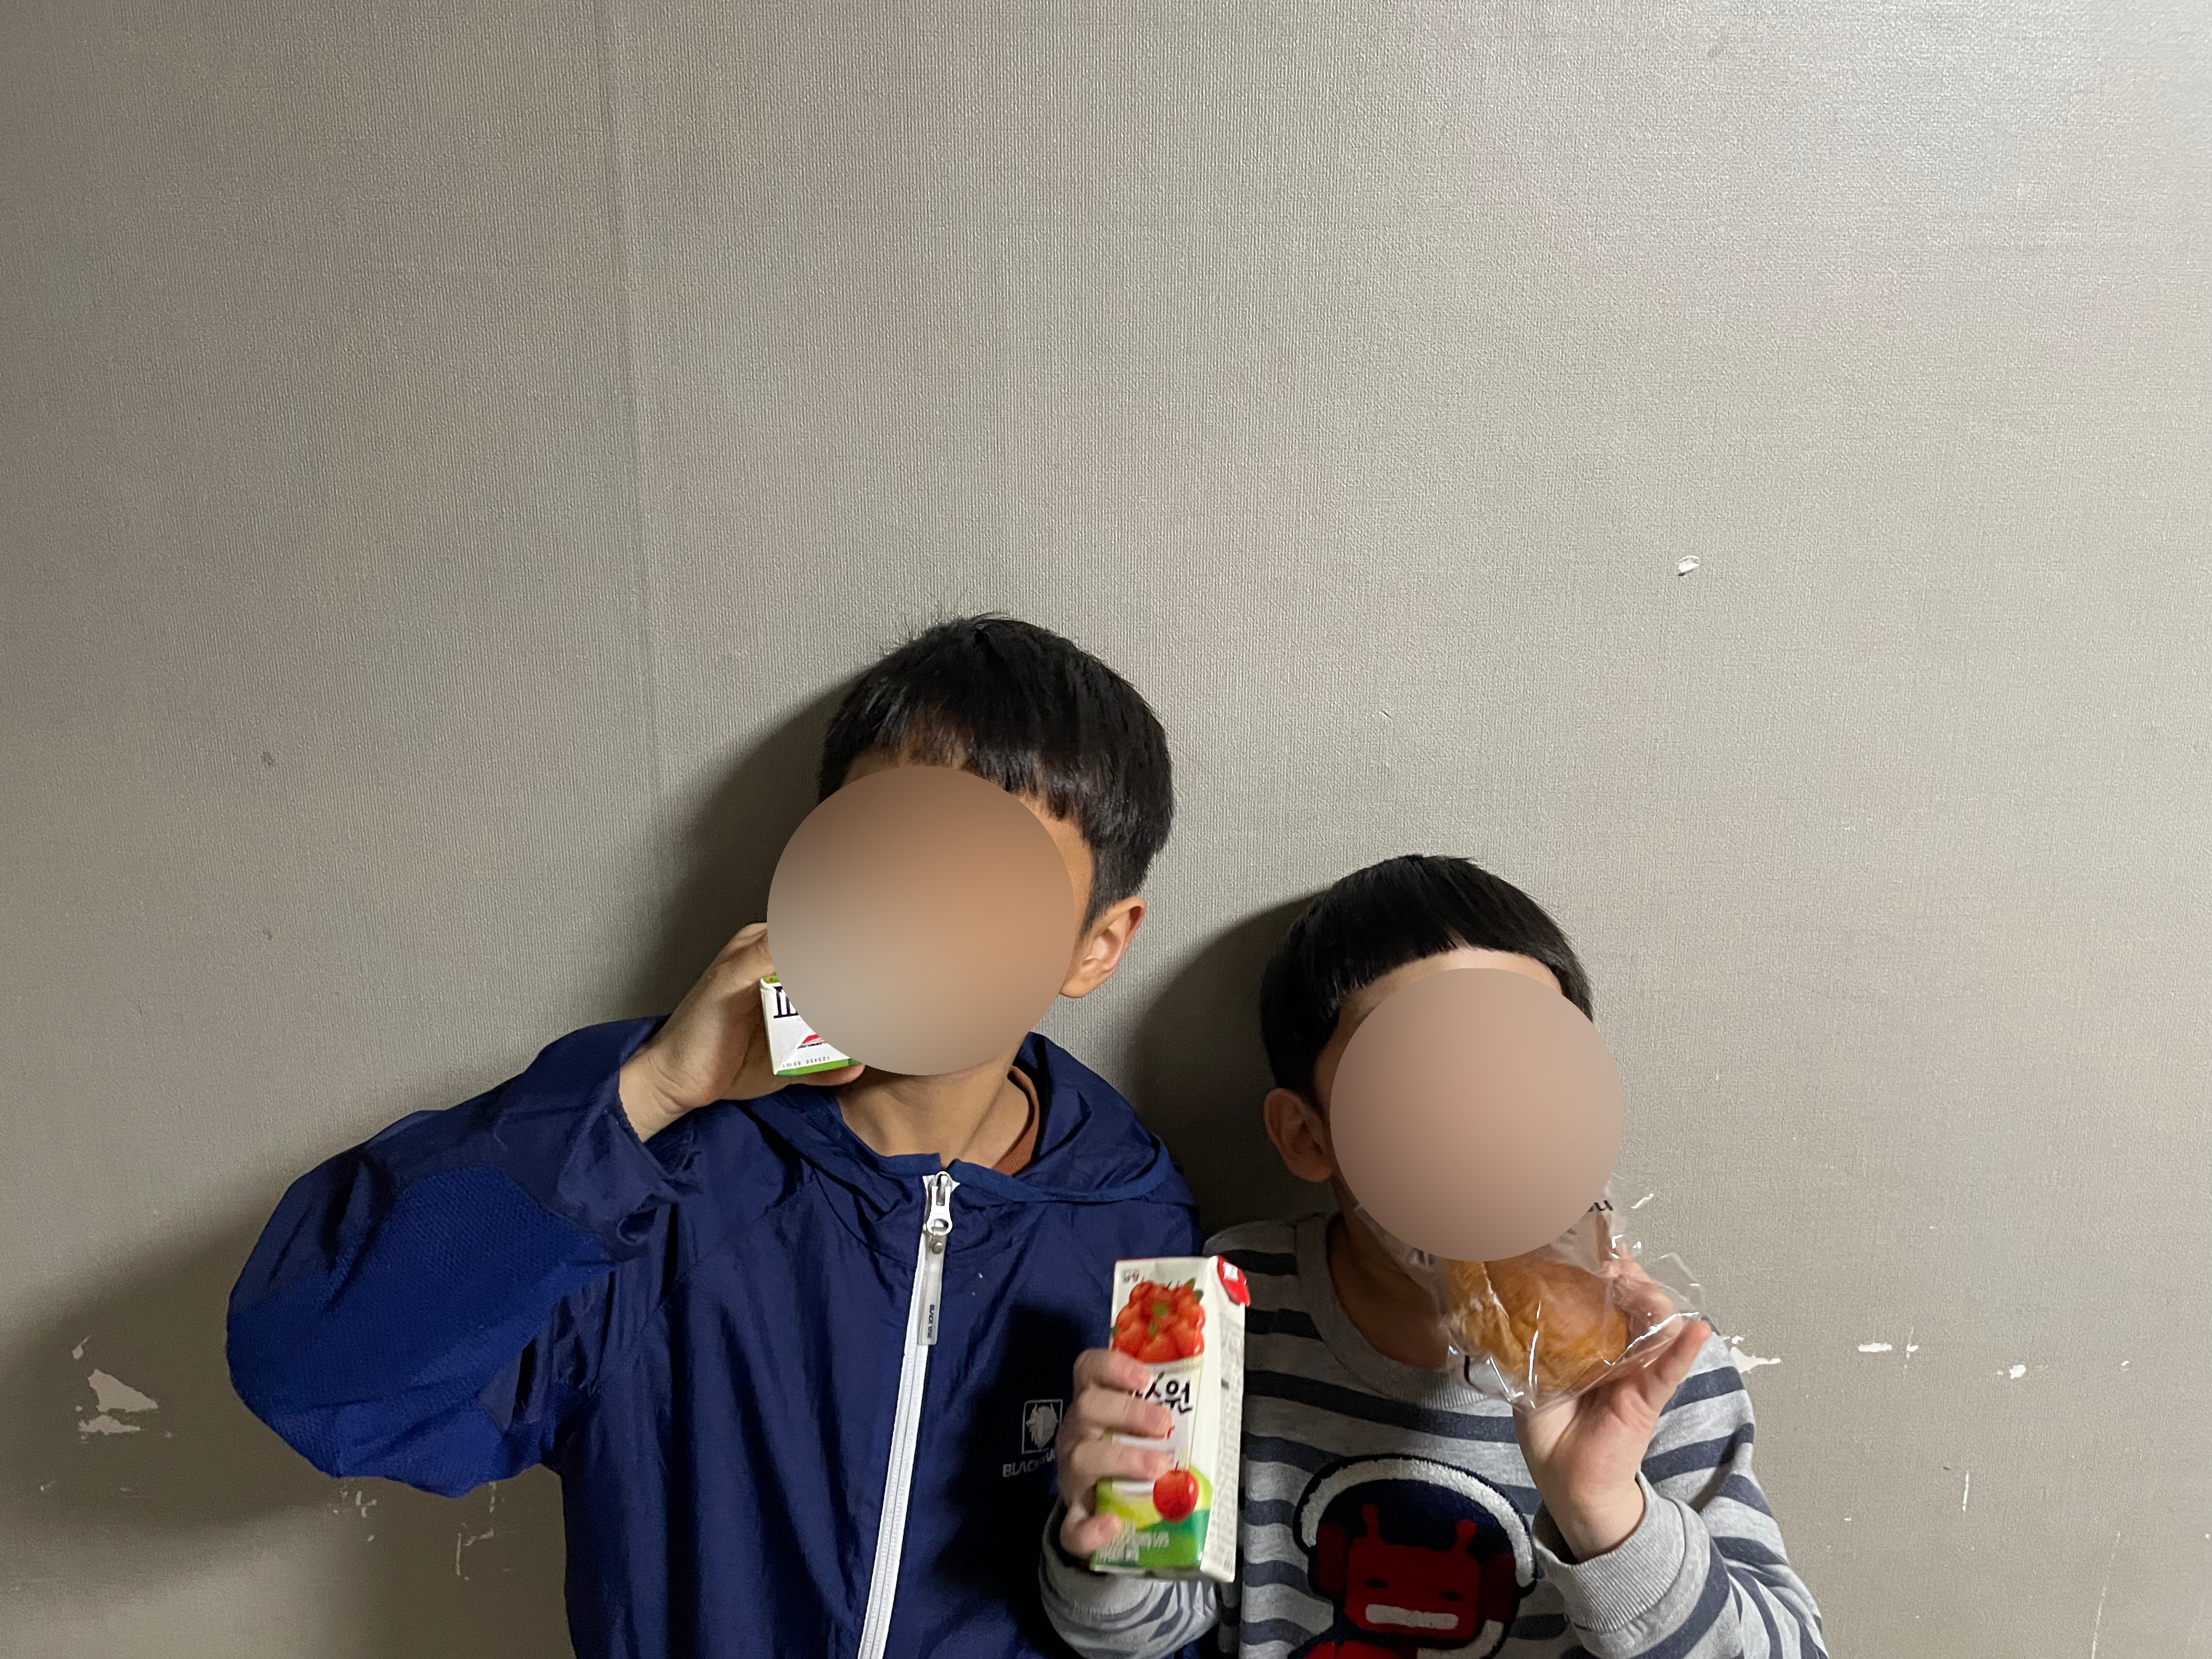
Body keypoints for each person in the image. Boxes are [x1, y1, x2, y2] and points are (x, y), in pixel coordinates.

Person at [228, 615, 1205, 1659]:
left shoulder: (1136, 1225)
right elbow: (320, 1380)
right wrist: (646, 1095)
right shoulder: (654, 1162)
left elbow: (1159, 1608)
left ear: (1097, 944)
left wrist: (1101, 1553)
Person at [1040, 855, 1825, 1659]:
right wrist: (1112, 1525)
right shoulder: (1234, 1307)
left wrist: (1605, 1512)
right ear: (1309, 1136)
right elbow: (1129, 1639)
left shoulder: (1649, 1366)